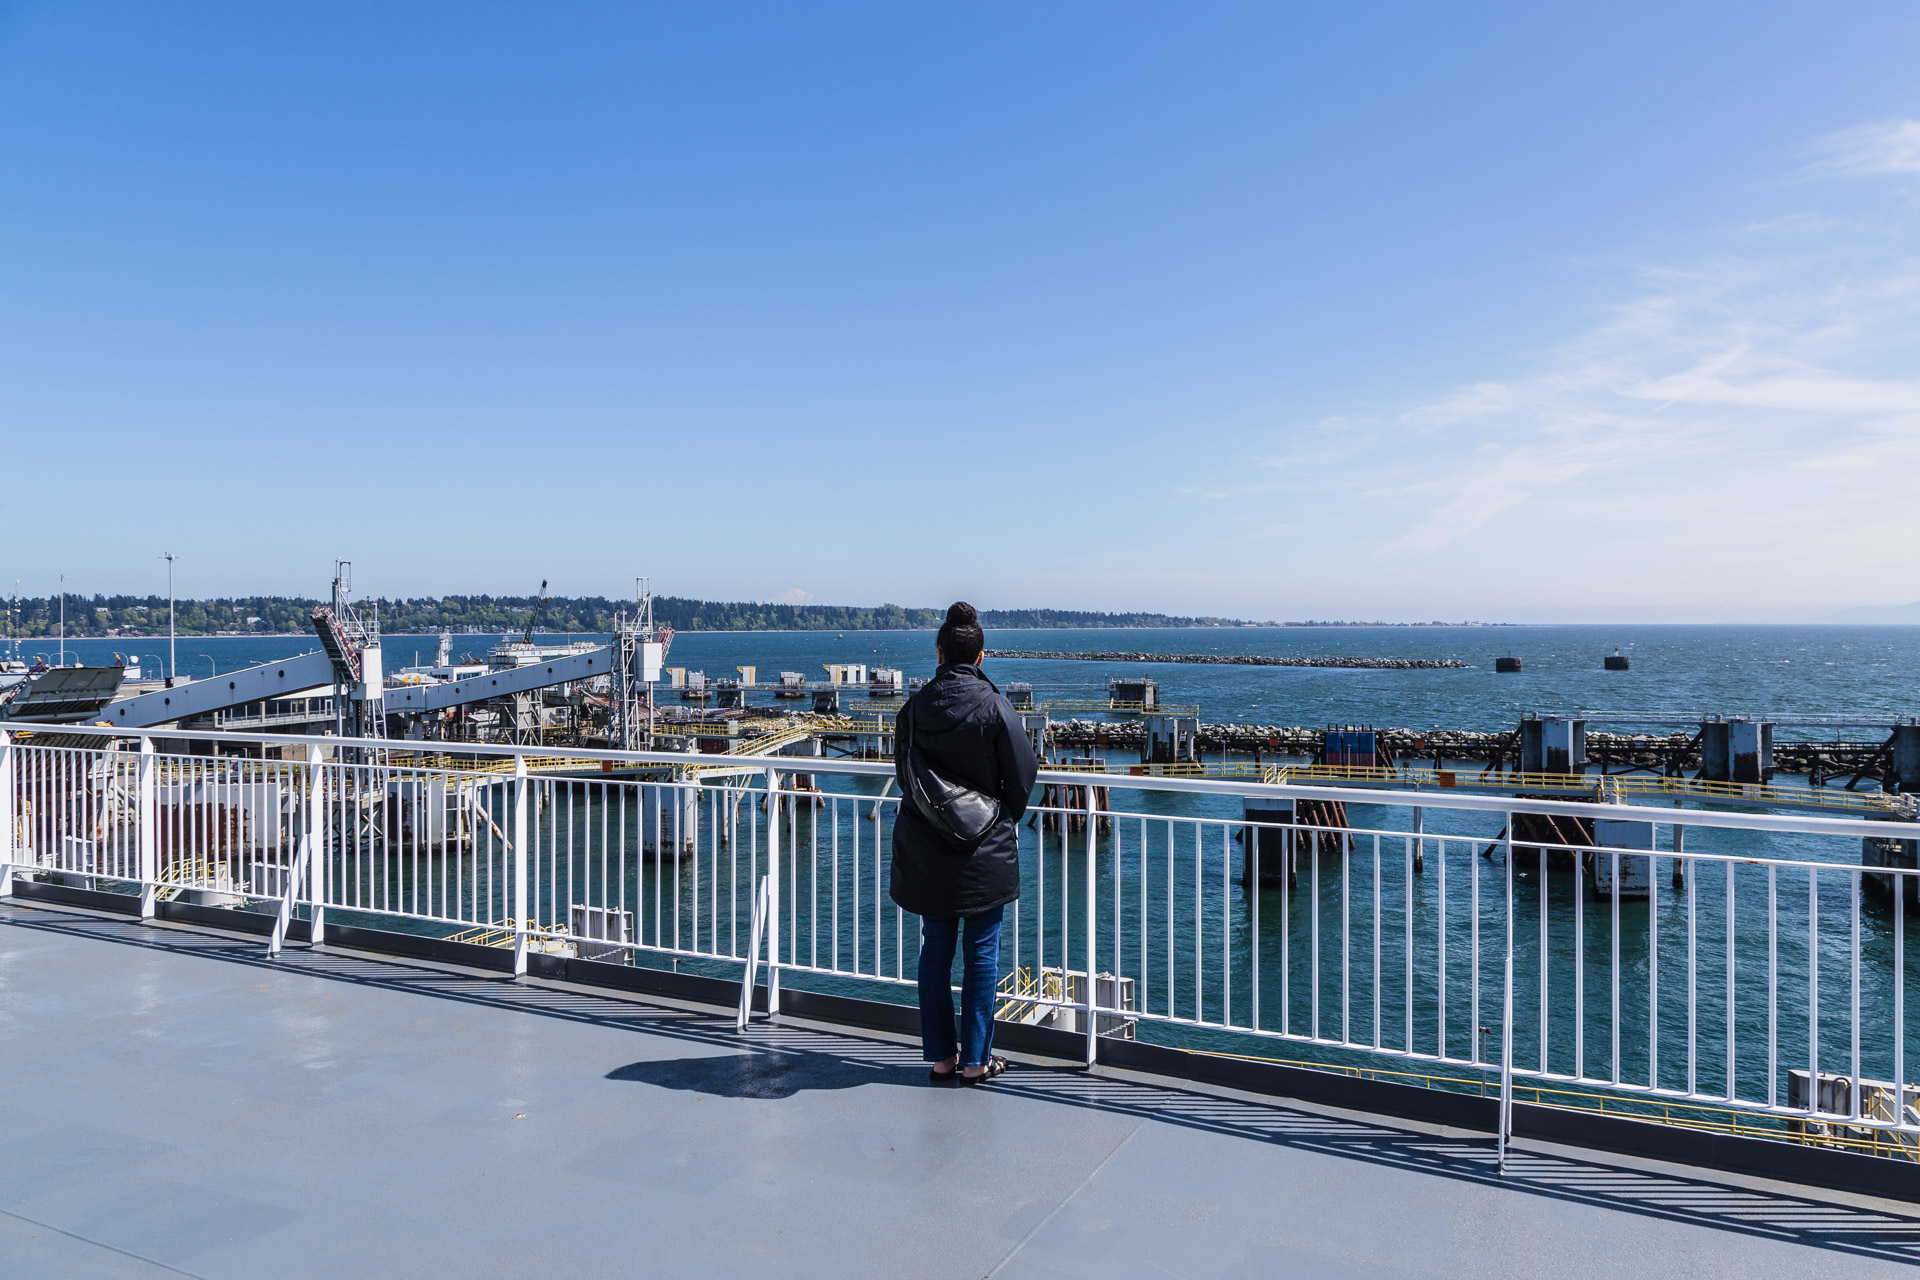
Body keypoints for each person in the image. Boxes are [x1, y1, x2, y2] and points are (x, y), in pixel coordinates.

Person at [889, 602, 1038, 1085]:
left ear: (938, 653)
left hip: (928, 850)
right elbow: (1022, 775)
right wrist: (998, 817)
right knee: (982, 954)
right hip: (985, 852)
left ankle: (940, 1057)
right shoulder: (996, 705)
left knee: (935, 951)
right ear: (980, 656)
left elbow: (906, 778)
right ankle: (976, 1060)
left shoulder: (913, 709)